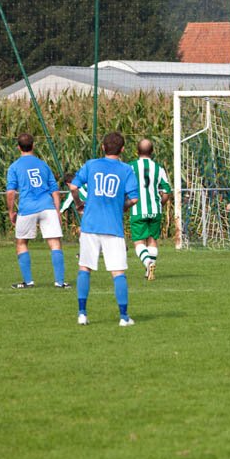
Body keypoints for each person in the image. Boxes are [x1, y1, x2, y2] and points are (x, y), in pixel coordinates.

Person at [70, 132, 139, 327]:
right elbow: (134, 198)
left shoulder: (91, 164)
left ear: (102, 147)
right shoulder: (126, 170)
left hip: (90, 225)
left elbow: (73, 187)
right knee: (118, 272)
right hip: (112, 226)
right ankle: (123, 317)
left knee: (85, 267)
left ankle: (82, 314)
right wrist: (123, 206)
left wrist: (78, 203)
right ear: (122, 150)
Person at [6, 133, 68, 289]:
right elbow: (55, 191)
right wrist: (57, 212)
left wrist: (11, 211)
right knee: (55, 243)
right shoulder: (43, 165)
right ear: (33, 145)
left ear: (18, 147)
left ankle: (28, 282)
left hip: (27, 208)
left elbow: (11, 192)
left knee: (21, 243)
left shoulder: (14, 166)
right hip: (47, 207)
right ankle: (60, 282)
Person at [128, 139, 171, 280]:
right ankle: (149, 271)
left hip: (137, 209)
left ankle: (148, 262)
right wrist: (161, 204)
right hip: (155, 209)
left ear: (137, 151)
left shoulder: (131, 167)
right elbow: (167, 191)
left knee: (139, 241)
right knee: (152, 240)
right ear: (152, 152)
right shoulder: (159, 168)